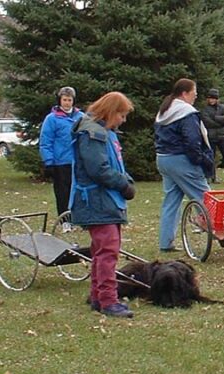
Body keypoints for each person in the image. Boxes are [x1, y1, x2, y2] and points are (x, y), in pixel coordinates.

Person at [69, 92, 136, 318]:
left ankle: (98, 297)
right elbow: (99, 169)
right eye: (122, 115)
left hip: (105, 200)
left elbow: (114, 164)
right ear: (110, 112)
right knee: (108, 251)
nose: (123, 120)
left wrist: (127, 181)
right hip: (96, 201)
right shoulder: (92, 134)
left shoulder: (104, 132)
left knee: (101, 251)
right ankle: (109, 300)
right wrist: (123, 185)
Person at [154, 79, 214, 252]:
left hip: (163, 159)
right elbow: (192, 140)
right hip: (181, 160)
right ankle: (220, 232)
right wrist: (199, 161)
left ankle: (166, 242)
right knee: (205, 197)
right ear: (185, 93)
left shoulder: (164, 111)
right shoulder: (186, 113)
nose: (196, 95)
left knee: (171, 201)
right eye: (194, 92)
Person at [39, 86, 84, 232]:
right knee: (62, 193)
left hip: (77, 161)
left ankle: (80, 219)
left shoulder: (81, 117)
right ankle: (65, 222)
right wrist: (49, 162)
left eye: (69, 100)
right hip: (60, 162)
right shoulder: (52, 119)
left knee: (79, 191)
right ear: (60, 100)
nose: (67, 103)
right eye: (64, 100)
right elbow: (46, 141)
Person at [200, 88, 224, 184]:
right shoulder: (205, 110)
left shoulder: (223, 107)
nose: (212, 100)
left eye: (214, 98)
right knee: (211, 157)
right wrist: (220, 122)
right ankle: (213, 178)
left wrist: (215, 118)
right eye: (210, 98)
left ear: (217, 99)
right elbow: (207, 122)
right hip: (211, 136)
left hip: (222, 136)